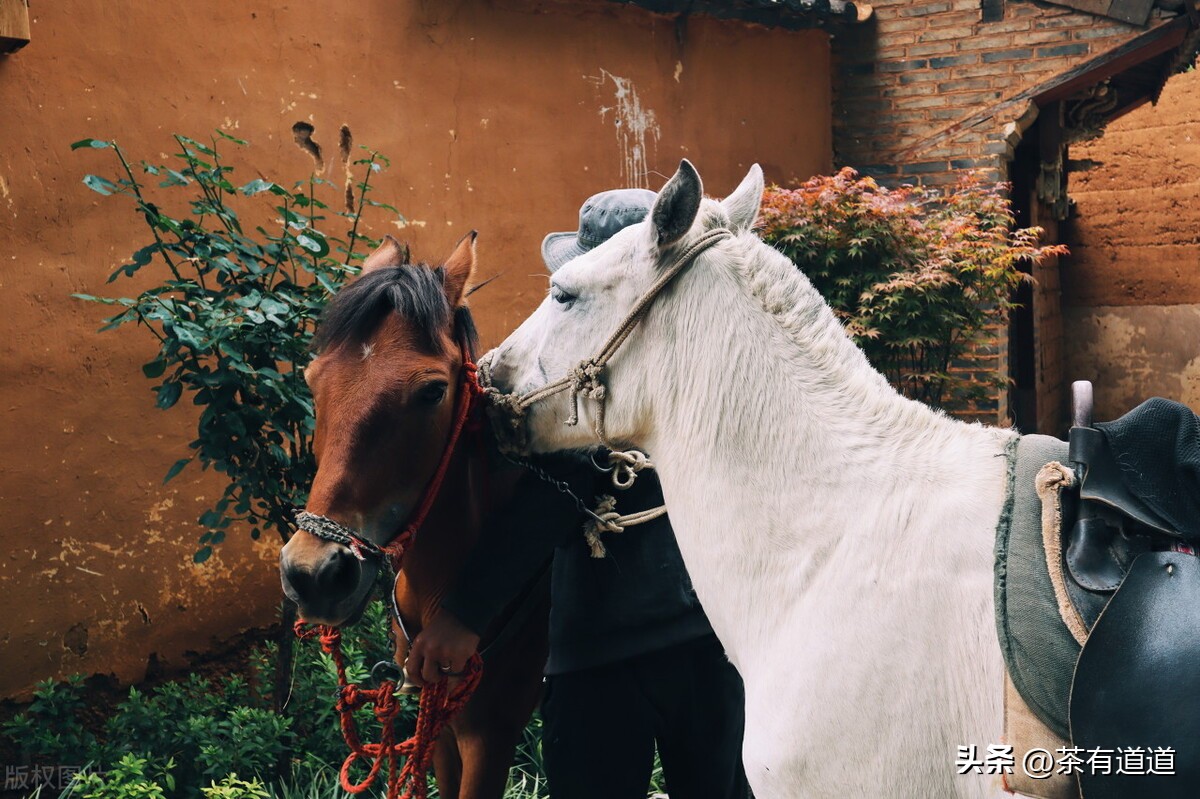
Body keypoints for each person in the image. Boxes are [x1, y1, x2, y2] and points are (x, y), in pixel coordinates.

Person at [405, 189, 749, 799]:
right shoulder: (712, 358)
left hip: (612, 653)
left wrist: (465, 612)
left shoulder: (582, 382)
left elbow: (557, 484)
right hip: (711, 638)